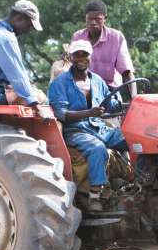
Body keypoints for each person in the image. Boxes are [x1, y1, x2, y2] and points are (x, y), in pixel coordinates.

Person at [48, 40, 126, 212]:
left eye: (85, 55)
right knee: (97, 148)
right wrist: (89, 113)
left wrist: (120, 102)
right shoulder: (59, 83)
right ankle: (95, 195)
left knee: (131, 138)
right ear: (71, 57)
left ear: (91, 57)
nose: (81, 58)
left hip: (98, 127)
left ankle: (138, 181)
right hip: (75, 130)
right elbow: (62, 114)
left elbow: (110, 103)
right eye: (77, 55)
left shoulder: (97, 80)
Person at [0, 0, 53, 120]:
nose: (28, 31)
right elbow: (16, 73)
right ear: (19, 18)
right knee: (43, 103)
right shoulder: (5, 37)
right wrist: (35, 104)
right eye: (29, 26)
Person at [71, 0, 137, 97]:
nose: (93, 22)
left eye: (97, 19)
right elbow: (71, 67)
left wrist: (134, 100)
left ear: (105, 18)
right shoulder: (77, 37)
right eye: (89, 19)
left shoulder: (116, 37)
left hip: (109, 91)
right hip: (83, 90)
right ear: (85, 18)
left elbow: (127, 73)